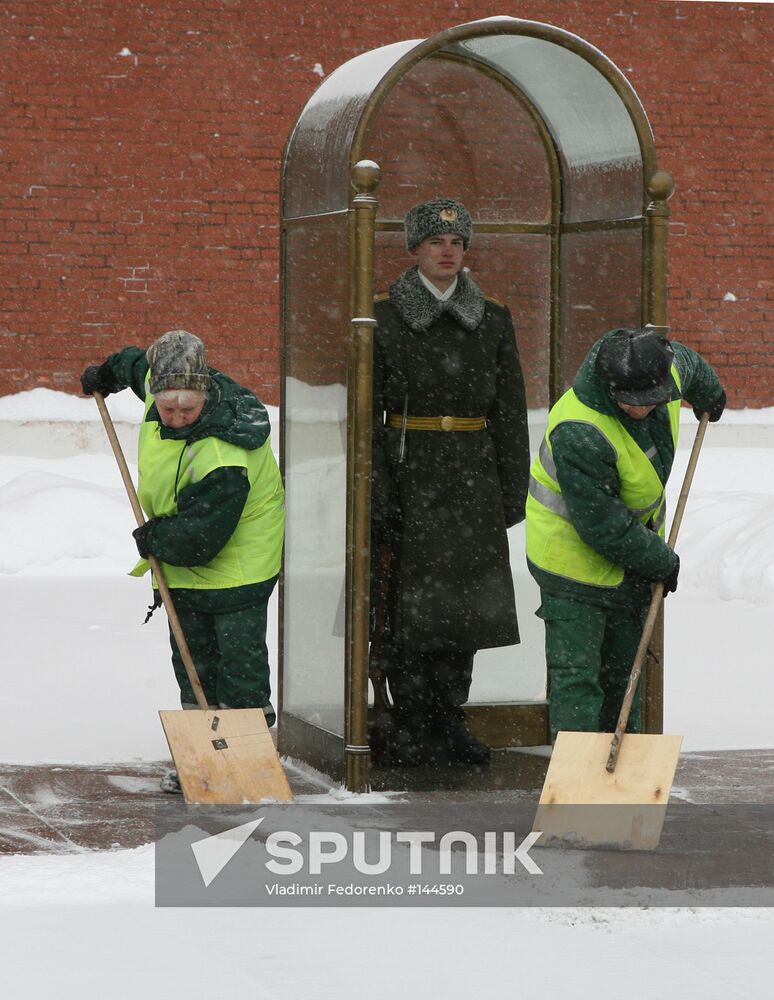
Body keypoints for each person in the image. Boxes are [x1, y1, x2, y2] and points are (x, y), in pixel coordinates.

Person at [81, 330, 285, 792]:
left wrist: (155, 536)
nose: (174, 418)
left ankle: (246, 764)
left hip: (238, 567)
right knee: (191, 660)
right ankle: (203, 759)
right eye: (166, 408)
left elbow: (200, 539)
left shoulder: (223, 452)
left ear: (204, 395)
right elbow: (136, 364)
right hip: (181, 559)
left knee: (238, 666)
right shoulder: (163, 383)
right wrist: (105, 375)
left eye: (185, 410)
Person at [370, 197, 530, 767]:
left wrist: (511, 490)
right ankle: (411, 722)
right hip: (411, 476)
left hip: (471, 478)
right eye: (436, 243)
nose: (448, 252)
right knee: (408, 611)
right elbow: (366, 416)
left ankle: (450, 718)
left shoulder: (494, 318)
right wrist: (379, 492)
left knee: (465, 609)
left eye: (457, 243)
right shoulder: (383, 316)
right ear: (414, 249)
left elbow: (510, 410)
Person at [525, 326, 725, 741]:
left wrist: (712, 394)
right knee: (578, 680)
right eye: (630, 402)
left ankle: (621, 777)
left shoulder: (661, 374)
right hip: (570, 564)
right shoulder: (579, 428)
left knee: (624, 676)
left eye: (650, 401)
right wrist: (660, 560)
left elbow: (688, 363)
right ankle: (577, 784)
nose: (641, 410)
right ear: (610, 385)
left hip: (631, 560)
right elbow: (603, 525)